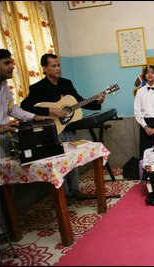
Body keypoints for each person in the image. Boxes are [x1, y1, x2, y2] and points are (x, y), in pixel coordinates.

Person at [20, 53, 105, 202]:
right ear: (45, 68)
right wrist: (50, 110)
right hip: (52, 131)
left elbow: (79, 101)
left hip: (68, 128)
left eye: (58, 65)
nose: (58, 68)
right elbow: (24, 106)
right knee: (59, 164)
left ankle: (75, 190)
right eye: (54, 66)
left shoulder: (66, 83)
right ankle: (63, 196)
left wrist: (97, 102)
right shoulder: (37, 88)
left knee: (72, 161)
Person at [0, 49, 50, 157]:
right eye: (7, 63)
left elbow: (12, 109)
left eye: (11, 62)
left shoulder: (4, 87)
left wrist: (34, 117)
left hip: (5, 136)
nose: (12, 66)